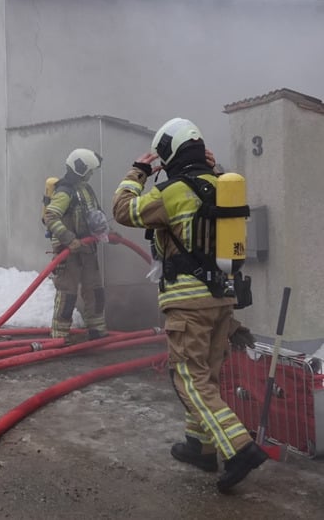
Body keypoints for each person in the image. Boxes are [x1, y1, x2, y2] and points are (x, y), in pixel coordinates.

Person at [112, 117, 266, 493]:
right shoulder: (220, 185)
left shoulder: (173, 192)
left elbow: (123, 210)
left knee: (189, 379)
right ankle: (200, 446)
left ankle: (239, 448)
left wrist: (138, 172)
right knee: (206, 376)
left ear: (171, 151)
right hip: (222, 299)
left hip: (188, 302)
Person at [42, 148, 110, 343]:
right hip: (69, 252)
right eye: (89, 170)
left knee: (95, 291)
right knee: (67, 295)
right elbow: (51, 217)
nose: (91, 174)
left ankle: (96, 330)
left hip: (87, 250)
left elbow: (96, 215)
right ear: (80, 168)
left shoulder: (86, 190)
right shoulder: (65, 191)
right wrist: (69, 239)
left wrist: (109, 232)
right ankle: (60, 336)